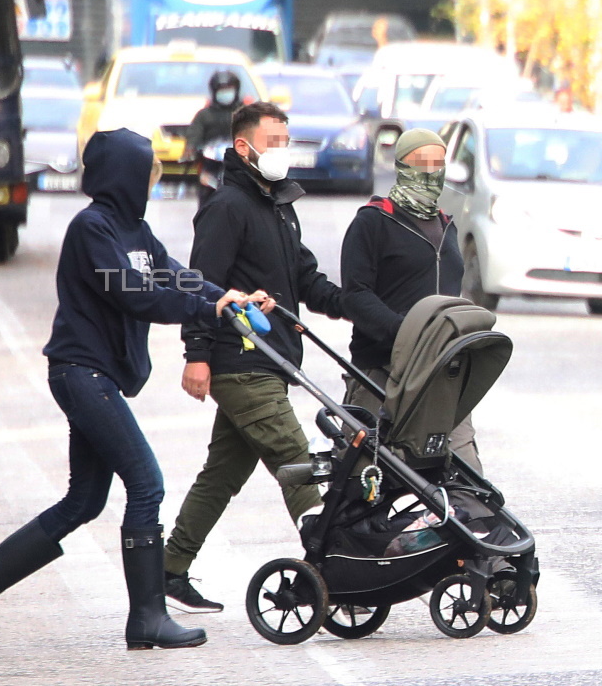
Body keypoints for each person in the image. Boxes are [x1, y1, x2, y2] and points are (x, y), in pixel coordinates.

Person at [0, 128, 266, 652]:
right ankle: (147, 617)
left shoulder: (135, 231)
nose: (149, 185)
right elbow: (134, 293)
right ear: (124, 175)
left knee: (84, 500)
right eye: (146, 175)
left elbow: (175, 276)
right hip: (80, 372)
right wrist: (202, 309)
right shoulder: (91, 229)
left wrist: (225, 297)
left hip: (96, 375)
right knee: (146, 483)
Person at [162, 102, 347, 613]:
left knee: (221, 474)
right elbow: (199, 284)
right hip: (239, 360)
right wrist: (196, 354)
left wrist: (351, 305)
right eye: (273, 142)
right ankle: (341, 567)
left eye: (286, 142)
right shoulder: (227, 208)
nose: (282, 152)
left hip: (270, 357)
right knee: (299, 462)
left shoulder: (279, 204)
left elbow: (303, 278)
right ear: (244, 147)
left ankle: (168, 571)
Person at [339, 128, 482, 473]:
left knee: (464, 473)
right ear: (402, 165)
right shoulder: (373, 222)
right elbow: (356, 295)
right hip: (382, 369)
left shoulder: (447, 225)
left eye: (439, 162)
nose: (432, 171)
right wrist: (405, 332)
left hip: (440, 373)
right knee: (362, 474)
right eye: (422, 162)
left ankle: (462, 521)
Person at [184, 71, 243, 162]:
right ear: (214, 92)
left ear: (236, 90)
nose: (225, 92)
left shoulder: (246, 113)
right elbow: (194, 135)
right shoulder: (204, 115)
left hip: (241, 162)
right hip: (210, 163)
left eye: (228, 89)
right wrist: (190, 149)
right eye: (221, 89)